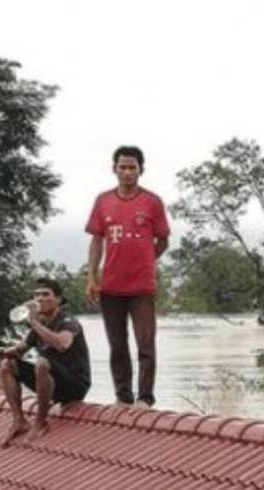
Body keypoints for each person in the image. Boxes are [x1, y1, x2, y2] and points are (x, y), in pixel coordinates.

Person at [85, 145, 170, 408]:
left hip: (142, 287)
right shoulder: (103, 201)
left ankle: (145, 398)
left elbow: (163, 240)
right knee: (117, 346)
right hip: (110, 286)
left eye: (132, 167)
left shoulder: (152, 201)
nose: (127, 172)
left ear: (141, 170)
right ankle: (123, 396)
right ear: (114, 169)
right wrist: (92, 278)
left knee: (145, 344)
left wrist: (146, 259)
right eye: (122, 167)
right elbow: (97, 241)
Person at [0, 278, 92, 445]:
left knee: (41, 363)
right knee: (8, 365)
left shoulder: (69, 322)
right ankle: (19, 420)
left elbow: (62, 344)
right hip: (51, 381)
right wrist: (3, 352)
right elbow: (21, 348)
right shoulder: (40, 325)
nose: (40, 299)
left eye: (45, 294)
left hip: (74, 384)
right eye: (36, 295)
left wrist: (33, 322)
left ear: (58, 300)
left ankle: (40, 422)